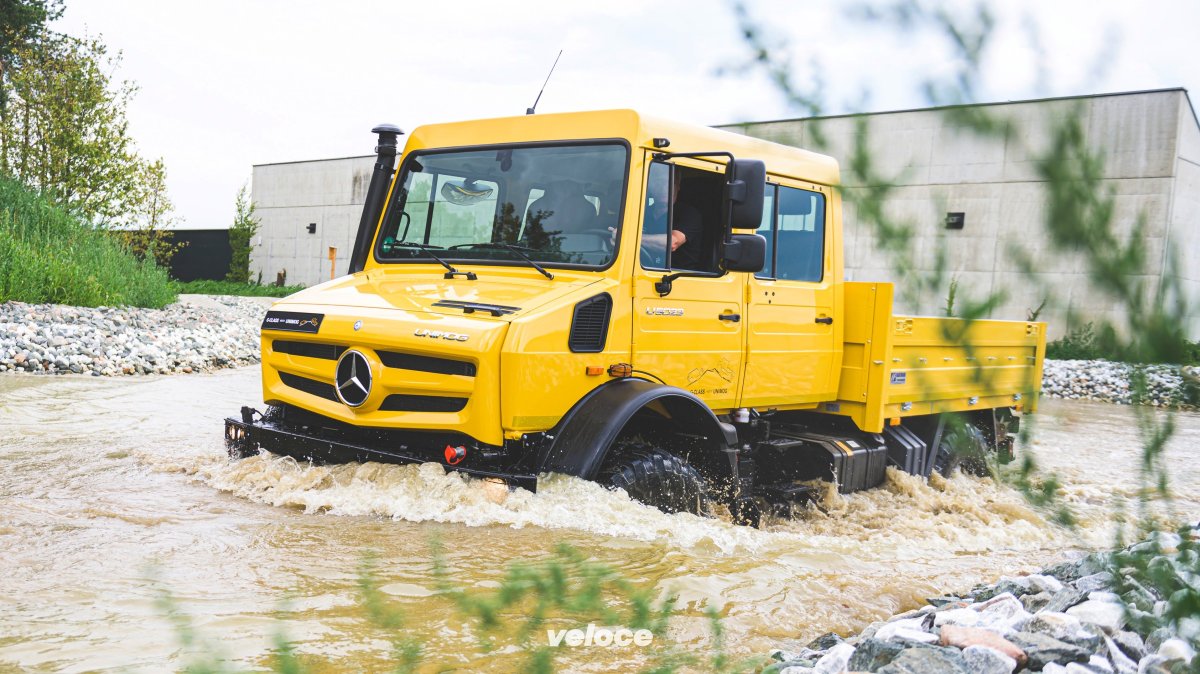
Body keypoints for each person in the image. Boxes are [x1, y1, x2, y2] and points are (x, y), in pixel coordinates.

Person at [640, 167, 704, 270]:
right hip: (642, 272)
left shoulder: (689, 214)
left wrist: (630, 238)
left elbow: (672, 243)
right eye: (659, 183)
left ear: (678, 186)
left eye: (670, 183)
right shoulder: (643, 212)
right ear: (650, 186)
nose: (664, 188)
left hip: (677, 279)